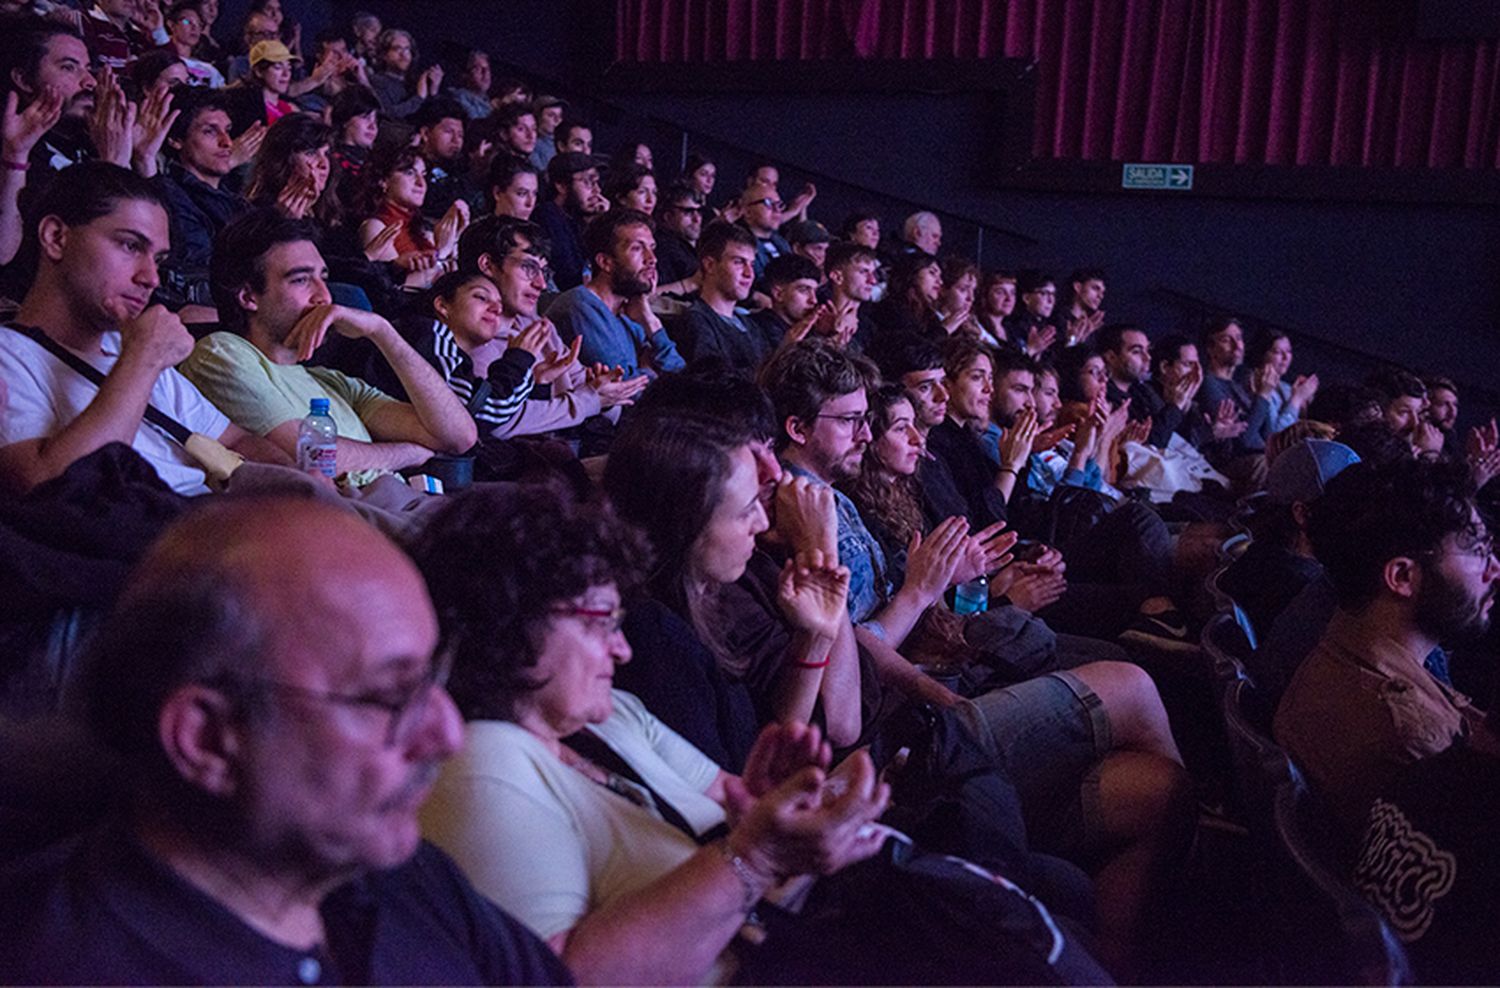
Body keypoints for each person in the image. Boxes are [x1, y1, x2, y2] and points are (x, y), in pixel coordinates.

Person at [412, 484, 1115, 986]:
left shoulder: (610, 717)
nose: (620, 651)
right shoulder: (484, 763)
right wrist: (757, 855)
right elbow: (562, 975)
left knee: (1044, 900)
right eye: (598, 624)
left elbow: (729, 804)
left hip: (810, 924)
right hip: (783, 953)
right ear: (510, 624)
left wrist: (775, 801)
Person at [0, 497, 572, 984]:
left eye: (433, 680)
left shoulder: (397, 873)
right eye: (391, 699)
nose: (447, 734)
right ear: (208, 739)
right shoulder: (56, 963)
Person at [759, 338, 1193, 976]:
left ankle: (1112, 961)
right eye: (853, 421)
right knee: (1130, 681)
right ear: (797, 428)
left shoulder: (833, 496)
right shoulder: (797, 514)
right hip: (908, 731)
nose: (865, 430)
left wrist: (961, 587)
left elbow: (887, 627)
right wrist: (927, 599)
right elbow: (857, 658)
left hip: (934, 683)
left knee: (1159, 791)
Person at [0, 162, 283, 496]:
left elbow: (236, 439)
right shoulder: (10, 355)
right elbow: (50, 492)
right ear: (56, 238)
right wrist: (143, 359)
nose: (151, 277)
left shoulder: (132, 347)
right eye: (130, 246)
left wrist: (301, 484)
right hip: (151, 539)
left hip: (216, 522)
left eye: (159, 260)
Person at [1274, 457, 1497, 836]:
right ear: (1402, 576)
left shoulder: (1344, 648)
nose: (1495, 568)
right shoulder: (1409, 735)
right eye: (1476, 550)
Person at [185, 208, 477, 482]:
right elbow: (311, 459)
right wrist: (408, 453)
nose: (323, 296)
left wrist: (382, 331)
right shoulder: (221, 354)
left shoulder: (330, 382)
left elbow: (458, 436)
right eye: (301, 280)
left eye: (323, 278)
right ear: (249, 297)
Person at [546, 208, 684, 380]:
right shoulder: (580, 306)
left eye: (652, 248)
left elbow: (683, 379)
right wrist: (650, 370)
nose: (652, 259)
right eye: (637, 248)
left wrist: (651, 322)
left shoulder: (632, 313)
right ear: (605, 262)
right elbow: (627, 390)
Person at [153, 89, 248, 313]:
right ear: (176, 140)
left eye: (228, 131)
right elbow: (201, 267)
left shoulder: (231, 193)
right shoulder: (172, 196)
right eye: (209, 131)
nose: (226, 142)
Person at [354, 144, 468, 290]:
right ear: (383, 180)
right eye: (410, 173)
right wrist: (442, 252)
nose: (421, 183)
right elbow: (394, 290)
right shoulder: (376, 227)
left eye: (423, 174)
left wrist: (455, 238)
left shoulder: (424, 230)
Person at [671, 221, 767, 372]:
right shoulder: (696, 322)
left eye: (752, 264)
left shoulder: (750, 325)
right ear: (710, 265)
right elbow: (714, 385)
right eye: (739, 262)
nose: (749, 274)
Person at [1197, 316, 1270, 490]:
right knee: (1262, 465)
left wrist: (1261, 397)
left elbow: (1267, 437)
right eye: (1226, 340)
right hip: (1224, 464)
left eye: (1239, 338)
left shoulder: (1239, 387)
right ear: (1210, 348)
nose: (1237, 346)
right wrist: (1263, 396)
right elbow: (1243, 441)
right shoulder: (1208, 383)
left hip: (1254, 456)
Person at [531, 151, 604, 290]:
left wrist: (600, 223)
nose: (597, 190)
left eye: (597, 182)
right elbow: (572, 278)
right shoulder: (547, 216)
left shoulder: (576, 219)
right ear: (561, 186)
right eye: (588, 182)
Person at [410, 94, 482, 222]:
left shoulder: (461, 168)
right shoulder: (410, 167)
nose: (456, 140)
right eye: (448, 132)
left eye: (460, 135)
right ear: (426, 133)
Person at [1246, 329, 1318, 436]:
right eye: (1278, 352)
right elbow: (1275, 436)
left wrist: (1302, 402)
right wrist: (1296, 399)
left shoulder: (1285, 388)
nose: (1285, 357)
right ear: (1262, 354)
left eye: (1289, 351)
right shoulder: (1256, 385)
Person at [222, 39, 298, 133]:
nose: (286, 74)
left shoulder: (290, 107)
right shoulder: (244, 107)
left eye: (289, 68)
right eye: (278, 67)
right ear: (259, 71)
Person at [870, 251, 944, 341]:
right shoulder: (891, 310)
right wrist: (944, 330)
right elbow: (909, 350)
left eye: (940, 277)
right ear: (913, 274)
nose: (940, 282)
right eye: (932, 273)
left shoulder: (930, 317)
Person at [369, 28, 438, 119]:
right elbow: (388, 114)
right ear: (384, 55)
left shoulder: (415, 82)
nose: (404, 55)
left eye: (407, 49)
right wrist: (419, 97)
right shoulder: (377, 81)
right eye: (397, 49)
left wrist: (433, 91)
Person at [652, 179, 702, 291]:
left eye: (699, 211)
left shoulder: (689, 246)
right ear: (668, 216)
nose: (697, 219)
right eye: (688, 212)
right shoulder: (660, 248)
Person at [162, 1, 224, 88]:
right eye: (187, 22)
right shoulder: (162, 60)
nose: (194, 28)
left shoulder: (210, 70)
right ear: (171, 25)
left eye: (199, 24)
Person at [328, 84, 377, 180]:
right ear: (346, 119)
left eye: (375, 121)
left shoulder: (378, 160)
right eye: (365, 117)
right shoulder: (334, 162)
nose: (372, 127)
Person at [487, 154, 539, 221]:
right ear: (497, 193)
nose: (530, 203)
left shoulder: (537, 229)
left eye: (534, 194)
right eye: (522, 193)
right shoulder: (480, 230)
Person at [449, 46, 491, 121]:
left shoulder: (487, 102)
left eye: (487, 69)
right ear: (465, 75)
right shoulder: (460, 98)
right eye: (478, 69)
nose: (485, 73)